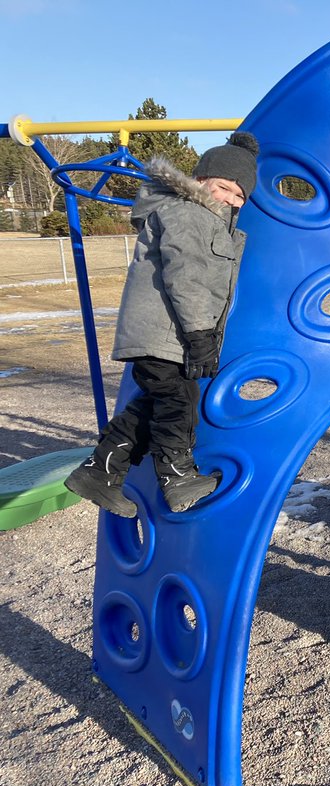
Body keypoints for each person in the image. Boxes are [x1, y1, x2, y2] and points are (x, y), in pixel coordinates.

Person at [65, 132, 259, 516]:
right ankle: (177, 476)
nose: (230, 200)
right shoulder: (189, 212)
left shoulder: (205, 218)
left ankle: (99, 473)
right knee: (177, 402)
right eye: (223, 187)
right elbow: (186, 278)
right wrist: (200, 335)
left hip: (165, 335)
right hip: (165, 333)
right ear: (200, 180)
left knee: (154, 405)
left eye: (239, 196)